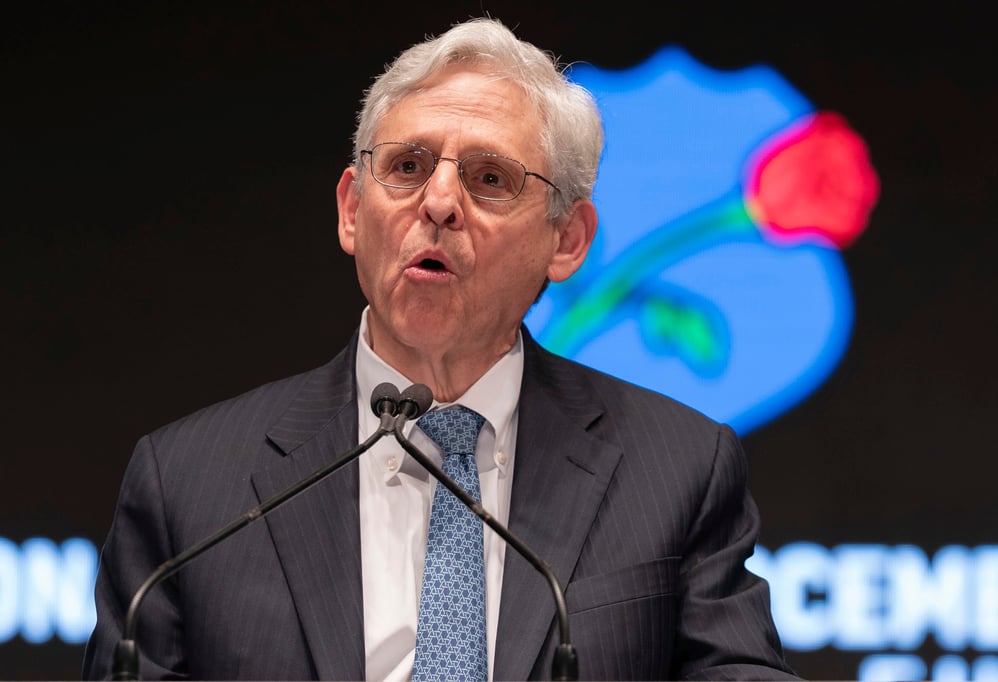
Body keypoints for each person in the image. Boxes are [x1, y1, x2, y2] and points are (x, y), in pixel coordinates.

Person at [83, 16, 798, 682]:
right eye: (407, 166)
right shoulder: (188, 489)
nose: (439, 202)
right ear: (352, 210)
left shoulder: (677, 473)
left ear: (567, 240)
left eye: (490, 178)